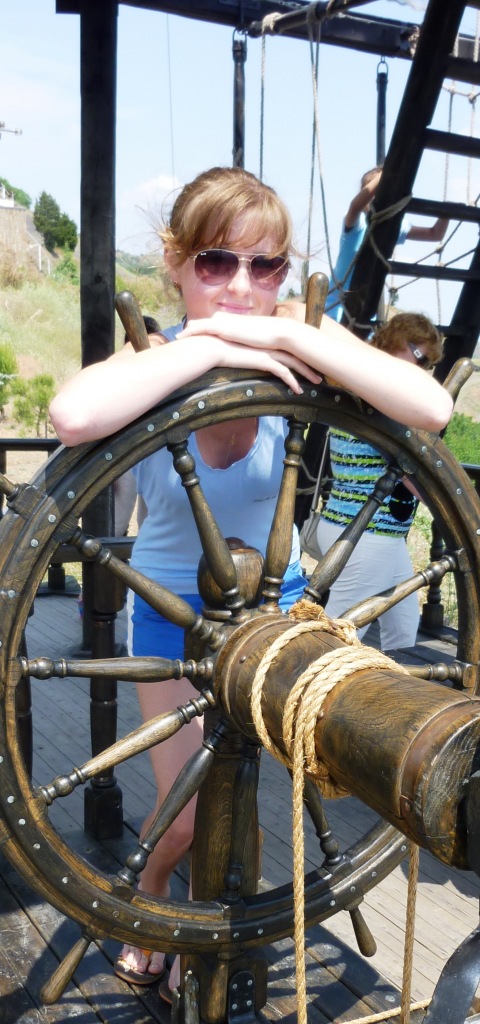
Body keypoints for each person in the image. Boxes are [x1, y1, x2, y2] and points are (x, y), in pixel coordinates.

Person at [49, 166, 452, 999]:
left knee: (240, 792)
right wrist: (211, 346)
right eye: (216, 262)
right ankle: (154, 894)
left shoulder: (295, 337)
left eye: (265, 266)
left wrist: (294, 333)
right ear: (176, 263)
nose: (241, 285)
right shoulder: (156, 358)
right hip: (172, 620)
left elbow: (430, 407)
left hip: (277, 617)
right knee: (188, 813)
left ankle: (211, 936)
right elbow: (74, 417)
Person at [315, 312, 444, 652]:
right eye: (420, 356)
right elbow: (412, 472)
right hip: (366, 535)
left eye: (429, 364)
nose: (423, 368)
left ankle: (391, 682)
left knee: (402, 630)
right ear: (398, 341)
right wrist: (449, 502)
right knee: (334, 637)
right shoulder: (383, 399)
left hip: (368, 532)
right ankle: (302, 681)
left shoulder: (357, 387)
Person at [326, 166, 450, 322]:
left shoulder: (394, 227)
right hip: (334, 307)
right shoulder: (356, 223)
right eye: (376, 193)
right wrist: (389, 170)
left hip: (363, 311)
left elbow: (435, 234)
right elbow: (355, 205)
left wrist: (446, 213)